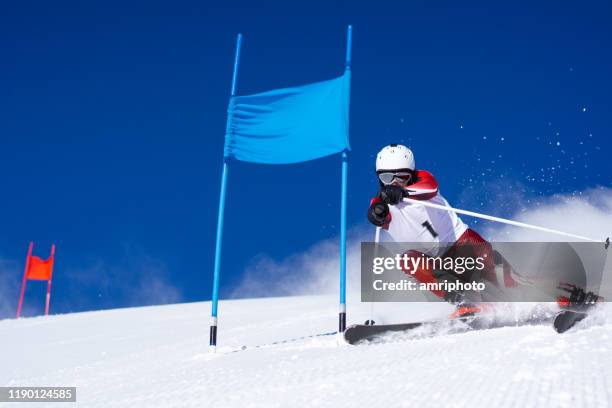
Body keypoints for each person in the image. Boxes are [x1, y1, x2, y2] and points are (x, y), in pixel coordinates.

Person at [367, 144, 516, 316]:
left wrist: (403, 192)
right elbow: (375, 213)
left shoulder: (423, 182)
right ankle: (465, 303)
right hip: (437, 266)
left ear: (412, 174)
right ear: (379, 178)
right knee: (408, 260)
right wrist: (376, 213)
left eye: (401, 177)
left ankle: (544, 292)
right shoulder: (382, 203)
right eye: (387, 178)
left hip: (463, 247)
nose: (394, 183)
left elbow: (430, 187)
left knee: (502, 282)